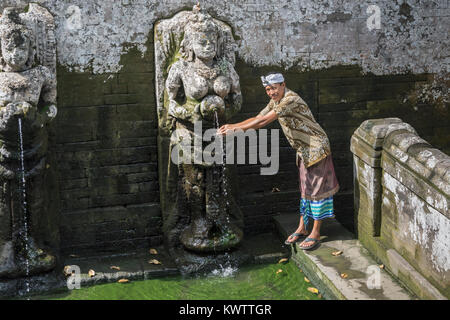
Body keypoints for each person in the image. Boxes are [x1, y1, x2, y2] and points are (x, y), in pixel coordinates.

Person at [217, 73, 339, 250]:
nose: (271, 92)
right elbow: (258, 119)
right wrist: (233, 127)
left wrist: (235, 128)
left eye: (274, 88)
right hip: (303, 151)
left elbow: (266, 120)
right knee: (305, 189)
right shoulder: (275, 101)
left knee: (317, 191)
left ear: (283, 85)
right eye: (267, 89)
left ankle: (316, 232)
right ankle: (302, 227)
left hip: (316, 149)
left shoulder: (290, 99)